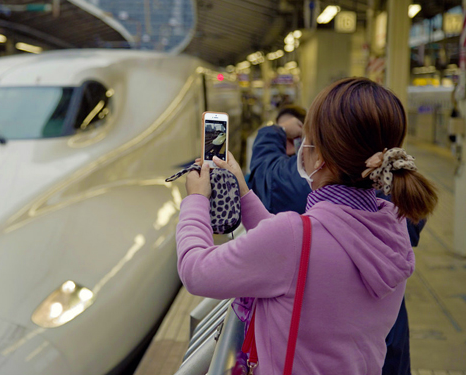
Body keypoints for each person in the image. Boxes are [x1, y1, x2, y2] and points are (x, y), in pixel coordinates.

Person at [176, 77, 438, 374]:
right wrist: (244, 192)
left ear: (320, 158)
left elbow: (196, 271)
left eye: (307, 140)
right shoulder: (393, 224)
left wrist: (196, 199)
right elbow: (302, 253)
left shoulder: (294, 238)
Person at [248, 105, 423, 375]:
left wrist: (276, 131)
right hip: (386, 346)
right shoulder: (392, 192)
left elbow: (266, 182)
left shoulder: (317, 188)